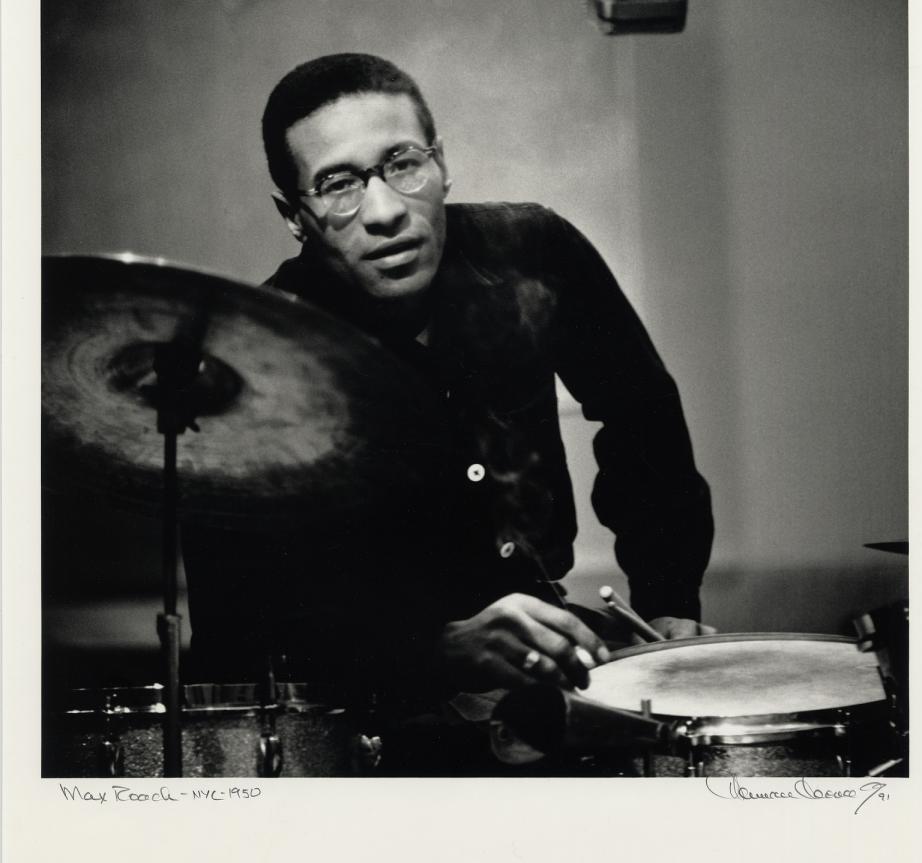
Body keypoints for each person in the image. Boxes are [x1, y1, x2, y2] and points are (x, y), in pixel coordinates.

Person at [183, 52, 714, 770]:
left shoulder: (534, 250)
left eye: (403, 164)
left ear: (442, 164)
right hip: (362, 711)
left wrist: (669, 597)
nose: (384, 211)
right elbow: (243, 632)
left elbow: (640, 413)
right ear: (294, 216)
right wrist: (439, 648)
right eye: (338, 184)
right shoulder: (261, 354)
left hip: (538, 667)